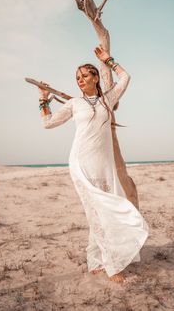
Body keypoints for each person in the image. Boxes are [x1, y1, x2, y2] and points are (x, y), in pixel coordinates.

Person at [37, 45, 149, 283]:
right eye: (77, 78)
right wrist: (42, 100)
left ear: (96, 77)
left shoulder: (108, 99)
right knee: (95, 213)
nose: (80, 80)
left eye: (85, 76)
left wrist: (108, 60)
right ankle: (111, 265)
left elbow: (126, 77)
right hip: (81, 163)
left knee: (103, 211)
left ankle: (94, 260)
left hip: (104, 166)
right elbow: (47, 124)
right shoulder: (74, 104)